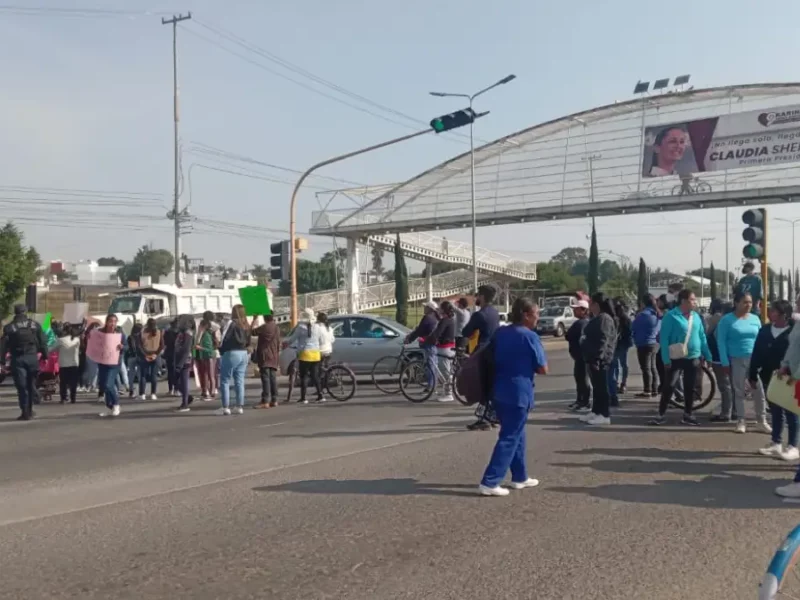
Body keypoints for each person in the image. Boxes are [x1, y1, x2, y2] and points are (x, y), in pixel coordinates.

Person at [478, 297, 547, 496]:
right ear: (526, 315)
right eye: (536, 314)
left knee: (517, 433)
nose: (538, 318)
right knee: (509, 436)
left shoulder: (501, 332)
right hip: (519, 392)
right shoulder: (530, 336)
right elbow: (543, 368)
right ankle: (490, 481)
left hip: (499, 390)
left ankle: (520, 477)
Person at [649, 289, 711, 426]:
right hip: (675, 357)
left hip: (693, 356)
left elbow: (702, 337)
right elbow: (664, 339)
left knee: (690, 387)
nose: (695, 302)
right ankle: (661, 414)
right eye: (692, 299)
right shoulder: (671, 316)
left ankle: (688, 414)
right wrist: (666, 359)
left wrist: (707, 355)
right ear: (683, 301)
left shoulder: (696, 317)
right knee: (669, 386)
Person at [717, 292, 769, 434]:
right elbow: (721, 342)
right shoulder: (726, 320)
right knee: (739, 391)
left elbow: (760, 339)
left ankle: (761, 420)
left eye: (750, 302)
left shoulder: (755, 319)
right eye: (745, 302)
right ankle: (741, 420)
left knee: (759, 391)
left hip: (754, 360)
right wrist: (724, 362)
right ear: (736, 303)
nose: (748, 305)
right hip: (736, 359)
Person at [751, 300, 796, 460]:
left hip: (789, 376)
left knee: (791, 411)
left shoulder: (794, 331)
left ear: (784, 314)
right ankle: (776, 443)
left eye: (774, 311)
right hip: (768, 375)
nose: (770, 313)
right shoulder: (764, 330)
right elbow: (756, 352)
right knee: (775, 410)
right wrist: (752, 373)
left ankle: (793, 445)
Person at [462, 285, 501, 431]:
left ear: (483, 297)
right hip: (495, 351)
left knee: (483, 387)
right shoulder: (494, 313)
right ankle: (493, 416)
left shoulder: (480, 315)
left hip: (482, 353)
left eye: (478, 295)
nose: (476, 298)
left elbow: (466, 331)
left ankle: (484, 419)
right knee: (491, 386)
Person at [0, 305, 47, 420]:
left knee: (22, 386)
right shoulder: (34, 325)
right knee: (31, 385)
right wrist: (45, 355)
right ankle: (30, 411)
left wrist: (1, 361)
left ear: (15, 313)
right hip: (32, 358)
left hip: (17, 359)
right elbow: (43, 341)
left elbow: (3, 345)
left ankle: (25, 411)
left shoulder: (9, 327)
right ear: (25, 312)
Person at [579, 293, 617, 426]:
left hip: (600, 360)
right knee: (597, 387)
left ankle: (604, 414)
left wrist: (597, 358)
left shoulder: (604, 319)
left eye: (591, 304)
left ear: (597, 304)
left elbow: (603, 340)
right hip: (592, 357)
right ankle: (596, 411)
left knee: (602, 388)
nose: (589, 307)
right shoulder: (598, 317)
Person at [217, 305, 251, 415]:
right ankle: (239, 406)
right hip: (244, 353)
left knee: (225, 380)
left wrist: (220, 348)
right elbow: (249, 340)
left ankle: (225, 407)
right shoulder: (246, 324)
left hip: (231, 353)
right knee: (239, 381)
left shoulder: (231, 323)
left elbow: (223, 338)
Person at [707, 300, 737, 422]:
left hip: (720, 359)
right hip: (734, 358)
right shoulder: (736, 322)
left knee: (725, 387)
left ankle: (726, 413)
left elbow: (718, 340)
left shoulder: (722, 323)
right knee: (733, 386)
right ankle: (734, 411)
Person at [405, 300, 440, 392]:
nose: (424, 308)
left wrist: (409, 339)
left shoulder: (427, 317)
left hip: (428, 344)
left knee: (430, 365)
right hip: (431, 344)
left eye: (426, 307)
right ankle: (433, 385)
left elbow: (419, 331)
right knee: (432, 364)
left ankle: (431, 387)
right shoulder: (435, 317)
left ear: (430, 309)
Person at [95, 314, 126, 418]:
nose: (112, 324)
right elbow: (94, 344)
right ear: (106, 322)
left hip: (115, 362)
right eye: (110, 321)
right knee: (104, 385)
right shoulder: (100, 333)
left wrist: (122, 347)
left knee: (109, 384)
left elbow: (127, 347)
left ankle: (116, 404)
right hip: (103, 361)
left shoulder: (120, 334)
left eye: (114, 321)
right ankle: (110, 406)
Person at [632, 294, 661, 398]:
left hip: (643, 343)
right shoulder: (657, 314)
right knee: (653, 367)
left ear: (643, 303)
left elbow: (634, 328)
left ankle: (647, 390)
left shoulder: (642, 315)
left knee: (646, 368)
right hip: (655, 343)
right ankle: (654, 389)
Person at [565, 299, 591, 412]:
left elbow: (571, 336)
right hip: (579, 356)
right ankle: (579, 400)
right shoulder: (580, 322)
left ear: (583, 310)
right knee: (579, 378)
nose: (574, 311)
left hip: (582, 356)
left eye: (576, 309)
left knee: (583, 379)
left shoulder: (582, 323)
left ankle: (584, 402)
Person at [252, 314, 281, 408]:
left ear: (265, 318)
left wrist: (254, 320)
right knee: (273, 378)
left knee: (265, 378)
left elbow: (252, 332)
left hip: (265, 355)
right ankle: (274, 399)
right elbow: (278, 342)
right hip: (274, 356)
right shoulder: (277, 328)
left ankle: (265, 401)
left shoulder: (263, 327)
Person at [430, 300, 457, 403]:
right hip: (449, 347)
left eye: (440, 308)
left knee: (444, 371)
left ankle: (449, 394)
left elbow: (437, 333)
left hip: (444, 348)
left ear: (444, 309)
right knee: (447, 370)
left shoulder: (445, 320)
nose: (439, 309)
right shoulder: (450, 319)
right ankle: (449, 390)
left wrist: (427, 340)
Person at [609, 299, 633, 404]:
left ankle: (619, 384)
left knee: (617, 364)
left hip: (620, 344)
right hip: (623, 344)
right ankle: (622, 384)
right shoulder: (625, 318)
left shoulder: (618, 319)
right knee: (622, 364)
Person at [173, 315, 195, 412]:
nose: (178, 323)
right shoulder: (181, 333)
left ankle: (185, 404)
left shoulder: (188, 334)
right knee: (176, 382)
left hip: (184, 361)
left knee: (183, 381)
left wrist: (180, 364)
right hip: (179, 360)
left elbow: (186, 350)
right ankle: (187, 397)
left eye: (179, 321)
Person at [138, 318, 163, 400]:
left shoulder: (142, 332)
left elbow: (139, 346)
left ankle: (142, 394)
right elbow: (162, 345)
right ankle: (153, 393)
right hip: (156, 355)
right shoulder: (159, 332)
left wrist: (145, 355)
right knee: (154, 375)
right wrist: (156, 354)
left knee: (143, 375)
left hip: (145, 354)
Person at [57, 324, 81, 404]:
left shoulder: (61, 340)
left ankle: (63, 398)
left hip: (63, 364)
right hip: (74, 363)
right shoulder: (77, 340)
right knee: (73, 382)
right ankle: (73, 398)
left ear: (64, 330)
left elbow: (51, 349)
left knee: (63, 382)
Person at [195, 315, 217, 400]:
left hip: (209, 356)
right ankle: (207, 391)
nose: (199, 327)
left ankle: (212, 392)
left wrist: (200, 348)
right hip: (204, 356)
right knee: (205, 374)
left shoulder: (207, 335)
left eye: (201, 326)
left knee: (211, 375)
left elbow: (209, 349)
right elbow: (197, 342)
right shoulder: (203, 334)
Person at [125, 323, 143, 398]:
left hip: (131, 357)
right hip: (139, 356)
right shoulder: (141, 337)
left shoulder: (130, 337)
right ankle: (141, 392)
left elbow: (129, 347)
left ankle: (131, 391)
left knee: (131, 375)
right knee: (140, 375)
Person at [163, 319, 178, 396]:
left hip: (169, 353)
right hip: (177, 353)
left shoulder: (167, 333)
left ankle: (170, 389)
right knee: (177, 372)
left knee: (170, 372)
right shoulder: (179, 333)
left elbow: (165, 343)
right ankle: (176, 389)